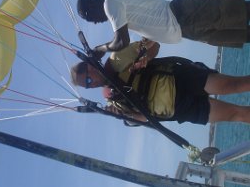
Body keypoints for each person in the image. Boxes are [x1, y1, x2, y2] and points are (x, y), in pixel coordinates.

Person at [70, 41, 250, 125]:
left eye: (87, 72)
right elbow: (147, 119)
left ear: (91, 65)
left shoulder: (117, 58)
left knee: (234, 85)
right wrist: (122, 116)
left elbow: (153, 44)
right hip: (179, 109)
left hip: (180, 79)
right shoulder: (114, 102)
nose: (91, 79)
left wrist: (146, 57)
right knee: (236, 115)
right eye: (87, 83)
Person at [76, 0, 250, 58]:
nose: (96, 22)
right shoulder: (119, 10)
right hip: (186, 27)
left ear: (90, 8)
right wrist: (148, 40)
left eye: (90, 19)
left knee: (240, 12)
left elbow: (122, 42)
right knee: (240, 33)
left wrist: (99, 50)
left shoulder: (110, 4)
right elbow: (151, 17)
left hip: (185, 14)